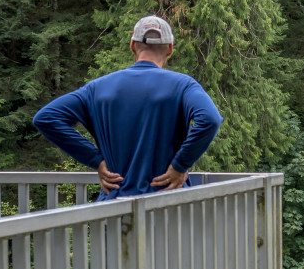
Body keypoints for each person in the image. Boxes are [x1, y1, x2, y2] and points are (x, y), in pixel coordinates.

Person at [33, 15, 222, 200]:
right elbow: (210, 119)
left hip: (114, 209)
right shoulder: (183, 86)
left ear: (133, 45)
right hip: (167, 208)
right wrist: (180, 165)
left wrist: (95, 160)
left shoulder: (97, 89)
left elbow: (46, 118)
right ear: (170, 48)